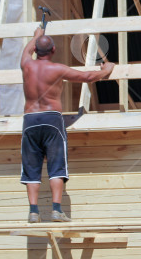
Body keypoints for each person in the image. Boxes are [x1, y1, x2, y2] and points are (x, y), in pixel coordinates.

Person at [20, 27, 114, 222]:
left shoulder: (26, 65)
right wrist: (106, 71)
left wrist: (37, 35)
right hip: (51, 119)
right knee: (56, 166)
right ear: (53, 50)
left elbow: (27, 51)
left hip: (29, 120)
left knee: (31, 168)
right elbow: (87, 77)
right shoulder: (58, 69)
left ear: (37, 51)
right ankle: (56, 209)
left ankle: (33, 211)